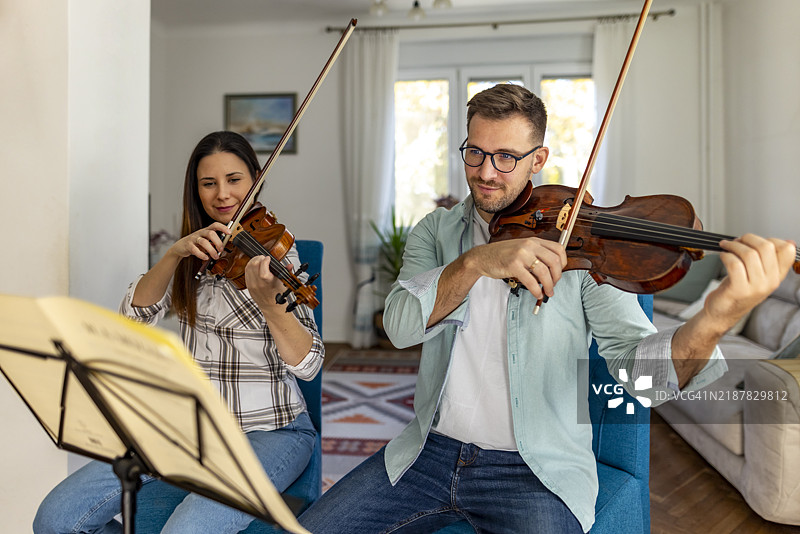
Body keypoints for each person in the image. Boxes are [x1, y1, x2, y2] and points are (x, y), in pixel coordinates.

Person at [298, 84, 797, 533]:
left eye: (507, 157)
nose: (486, 172)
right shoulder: (437, 231)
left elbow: (644, 382)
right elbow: (402, 328)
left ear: (539, 159)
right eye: (475, 152)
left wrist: (715, 318)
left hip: (533, 471)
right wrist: (476, 262)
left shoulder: (583, 245)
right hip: (426, 452)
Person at [33, 131, 324, 534]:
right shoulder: (194, 254)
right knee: (55, 519)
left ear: (256, 179)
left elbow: (309, 365)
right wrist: (173, 254)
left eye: (235, 179)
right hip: (191, 427)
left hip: (272, 431)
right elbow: (132, 318)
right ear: (196, 190)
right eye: (209, 183)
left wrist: (272, 304)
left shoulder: (277, 254)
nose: (222, 194)